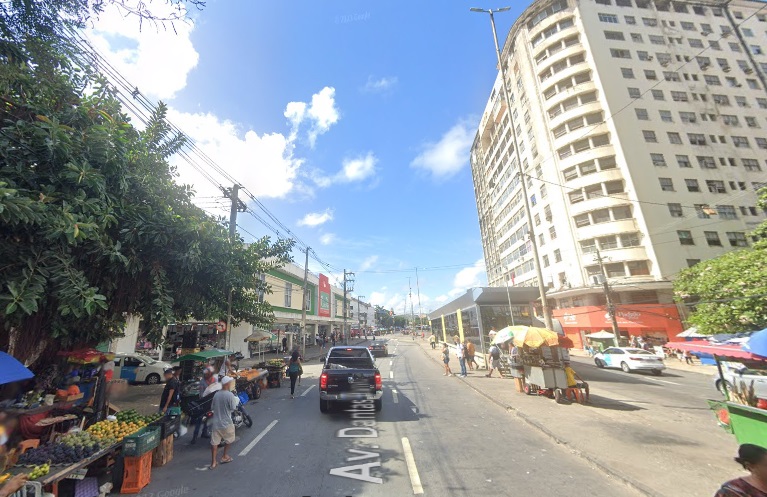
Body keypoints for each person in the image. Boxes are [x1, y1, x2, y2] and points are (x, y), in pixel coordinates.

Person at [209, 376, 238, 470]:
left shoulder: (216, 394)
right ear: (227, 384)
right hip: (226, 423)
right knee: (229, 440)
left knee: (214, 443)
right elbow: (233, 408)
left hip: (216, 423)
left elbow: (212, 407)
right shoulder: (230, 395)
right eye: (229, 382)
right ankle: (224, 456)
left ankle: (213, 462)